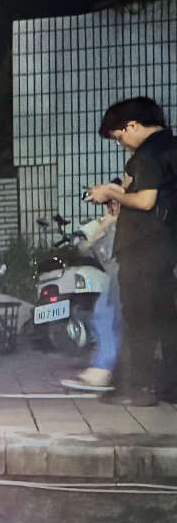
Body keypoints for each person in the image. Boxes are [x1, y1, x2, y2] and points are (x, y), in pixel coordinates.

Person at [86, 97, 177, 406]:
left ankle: (140, 389)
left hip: (142, 248)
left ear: (133, 125)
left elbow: (145, 200)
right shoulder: (171, 147)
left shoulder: (148, 154)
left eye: (120, 136)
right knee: (167, 319)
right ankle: (170, 387)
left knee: (137, 319)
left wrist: (111, 192)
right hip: (166, 247)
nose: (122, 143)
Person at [63, 202, 121, 393]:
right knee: (106, 316)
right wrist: (104, 224)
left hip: (127, 275)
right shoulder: (109, 226)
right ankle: (106, 368)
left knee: (106, 315)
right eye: (110, 205)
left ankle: (104, 369)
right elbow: (85, 247)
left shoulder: (128, 225)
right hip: (119, 277)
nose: (111, 208)